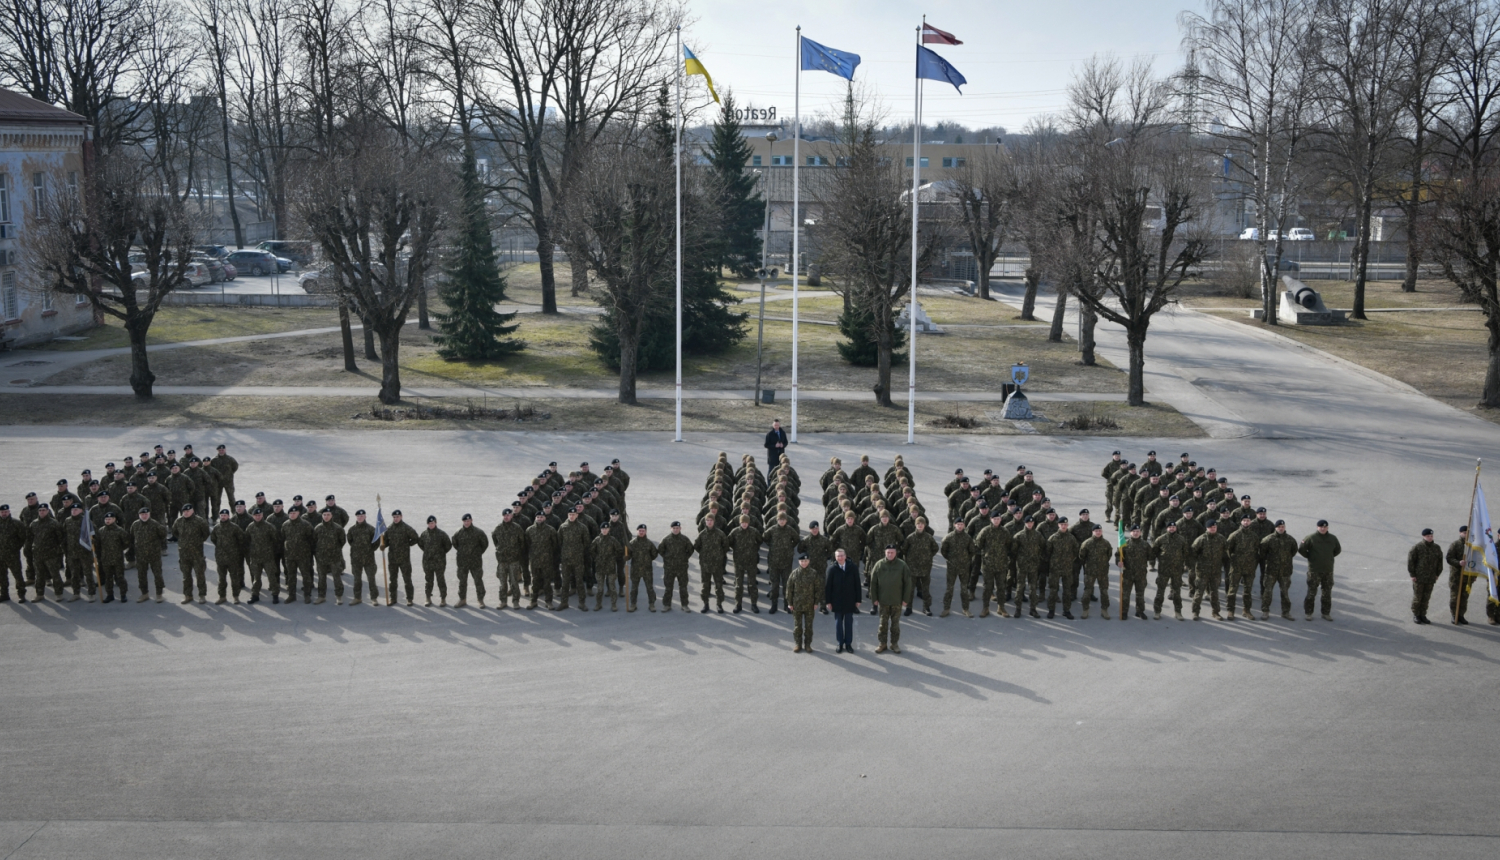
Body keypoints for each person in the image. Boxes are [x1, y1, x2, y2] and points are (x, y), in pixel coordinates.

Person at [869, 545, 913, 654]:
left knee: (895, 625)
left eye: (892, 552)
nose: (890, 554)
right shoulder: (879, 564)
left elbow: (908, 583)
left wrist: (905, 599)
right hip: (883, 601)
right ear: (885, 552)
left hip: (896, 601)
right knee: (882, 624)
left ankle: (894, 644)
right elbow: (873, 583)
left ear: (896, 553)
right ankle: (882, 643)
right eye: (888, 552)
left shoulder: (902, 565)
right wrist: (874, 598)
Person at [1298, 519, 1342, 621]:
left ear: (1327, 528)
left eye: (1325, 527)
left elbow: (1337, 550)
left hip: (1328, 570)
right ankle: (1308, 613)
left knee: (1327, 593)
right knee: (1311, 593)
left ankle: (1325, 613)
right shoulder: (1311, 538)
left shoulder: (1332, 538)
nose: (1323, 529)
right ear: (1317, 527)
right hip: (1314, 570)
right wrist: (1311, 557)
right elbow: (1301, 549)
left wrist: (1328, 557)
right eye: (1321, 527)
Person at [172, 503, 212, 604]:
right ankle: (188, 595)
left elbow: (206, 533)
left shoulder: (199, 521)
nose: (186, 513)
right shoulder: (179, 521)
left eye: (188, 511)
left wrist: (198, 542)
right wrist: (183, 542)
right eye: (184, 511)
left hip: (197, 554)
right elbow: (175, 532)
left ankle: (202, 595)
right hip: (184, 554)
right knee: (186, 576)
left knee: (200, 575)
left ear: (192, 511)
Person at [824, 548, 861, 653]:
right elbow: (828, 587)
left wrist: (858, 600)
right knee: (838, 624)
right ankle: (840, 643)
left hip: (850, 600)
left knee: (848, 623)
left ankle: (848, 644)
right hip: (837, 601)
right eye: (838, 556)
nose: (840, 558)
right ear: (835, 557)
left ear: (845, 556)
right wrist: (828, 602)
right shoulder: (832, 569)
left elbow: (857, 584)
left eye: (842, 555)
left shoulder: (853, 567)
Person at [129, 507, 168, 603]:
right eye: (142, 514)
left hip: (154, 555)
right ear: (139, 515)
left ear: (149, 514)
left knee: (157, 574)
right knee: (141, 575)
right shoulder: (135, 524)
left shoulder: (155, 524)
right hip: (140, 555)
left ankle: (159, 594)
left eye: (146, 514)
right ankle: (144, 593)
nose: (144, 516)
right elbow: (132, 536)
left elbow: (163, 535)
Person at [383, 510, 421, 607]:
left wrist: (408, 544)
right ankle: (393, 598)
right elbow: (386, 541)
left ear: (401, 517)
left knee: (407, 579)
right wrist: (383, 545)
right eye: (394, 517)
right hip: (392, 559)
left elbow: (416, 538)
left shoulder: (406, 528)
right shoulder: (389, 529)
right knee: (392, 580)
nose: (395, 519)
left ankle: (409, 599)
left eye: (397, 517)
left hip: (404, 559)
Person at [491, 508, 527, 609]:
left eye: (508, 515)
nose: (506, 517)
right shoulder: (498, 528)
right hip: (502, 560)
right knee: (502, 583)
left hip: (513, 560)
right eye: (504, 515)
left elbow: (522, 542)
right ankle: (503, 601)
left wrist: (516, 552)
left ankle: (516, 601)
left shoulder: (517, 528)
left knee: (514, 582)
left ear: (511, 516)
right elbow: (495, 539)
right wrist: (500, 549)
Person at [451, 513, 489, 609]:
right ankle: (462, 599)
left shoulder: (478, 532)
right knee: (462, 581)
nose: (466, 523)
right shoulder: (458, 533)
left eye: (468, 521)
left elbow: (485, 544)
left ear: (471, 520)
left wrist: (477, 553)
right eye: (465, 521)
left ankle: (480, 599)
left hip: (475, 562)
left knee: (478, 580)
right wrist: (462, 552)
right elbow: (454, 543)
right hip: (462, 562)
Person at [939, 518, 975, 617]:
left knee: (964, 589)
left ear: (964, 525)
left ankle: (966, 609)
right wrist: (950, 559)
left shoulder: (967, 538)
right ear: (955, 525)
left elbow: (972, 551)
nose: (960, 526)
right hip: (952, 567)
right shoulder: (949, 537)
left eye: (961, 524)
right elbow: (943, 550)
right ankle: (946, 608)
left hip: (964, 567)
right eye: (958, 524)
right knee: (949, 589)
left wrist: (966, 560)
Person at [1408, 528, 1444, 624]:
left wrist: (1437, 573)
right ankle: (1416, 614)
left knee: (1426, 597)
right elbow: (1411, 562)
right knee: (1418, 597)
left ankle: (1423, 614)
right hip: (1419, 577)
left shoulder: (1436, 547)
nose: (1430, 538)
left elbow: (1440, 561)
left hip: (1431, 577)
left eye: (1431, 536)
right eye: (1428, 536)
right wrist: (1412, 574)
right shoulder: (1417, 547)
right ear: (1423, 536)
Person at [209, 509, 246, 605]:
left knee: (235, 578)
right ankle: (222, 597)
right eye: (221, 515)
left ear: (228, 516)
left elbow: (241, 539)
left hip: (232, 558)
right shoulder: (216, 528)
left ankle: (236, 597)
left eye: (225, 515)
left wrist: (235, 550)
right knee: (221, 579)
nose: (223, 517)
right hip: (220, 558)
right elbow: (213, 539)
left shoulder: (234, 527)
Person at [312, 508, 347, 605]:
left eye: (328, 515)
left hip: (334, 558)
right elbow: (314, 541)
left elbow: (342, 541)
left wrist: (335, 550)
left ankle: (339, 596)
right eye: (324, 515)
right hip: (321, 558)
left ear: (331, 516)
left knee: (336, 577)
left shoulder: (338, 528)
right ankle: (321, 596)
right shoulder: (318, 528)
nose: (326, 517)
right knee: (321, 578)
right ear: (322, 516)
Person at [787, 554, 820, 652]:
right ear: (799, 562)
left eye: (805, 561)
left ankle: (807, 644)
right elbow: (789, 589)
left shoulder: (813, 573)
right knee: (797, 626)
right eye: (802, 561)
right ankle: (798, 644)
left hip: (810, 604)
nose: (804, 563)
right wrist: (790, 603)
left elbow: (818, 589)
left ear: (809, 561)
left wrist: (816, 602)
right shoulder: (794, 573)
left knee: (809, 627)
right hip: (797, 604)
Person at [417, 515, 453, 607]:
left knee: (441, 580)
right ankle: (428, 598)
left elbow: (448, 545)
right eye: (429, 523)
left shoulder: (441, 534)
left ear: (435, 523)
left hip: (439, 562)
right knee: (428, 580)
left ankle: (443, 598)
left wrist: (441, 553)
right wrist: (428, 552)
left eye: (432, 523)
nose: (431, 525)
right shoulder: (424, 534)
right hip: (428, 562)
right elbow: (420, 544)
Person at [346, 510, 379, 606]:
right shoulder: (352, 529)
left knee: (371, 579)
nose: (360, 517)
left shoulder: (371, 529)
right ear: (356, 517)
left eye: (362, 516)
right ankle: (357, 598)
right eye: (358, 516)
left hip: (369, 559)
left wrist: (370, 550)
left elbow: (376, 542)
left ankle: (374, 598)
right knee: (357, 579)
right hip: (356, 559)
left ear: (365, 517)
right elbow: (350, 540)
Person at [658, 521, 694, 612]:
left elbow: (690, 549)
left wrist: (685, 558)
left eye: (677, 528)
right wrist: (667, 558)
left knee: (683, 587)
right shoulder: (666, 539)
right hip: (669, 568)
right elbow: (660, 550)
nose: (675, 530)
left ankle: (684, 605)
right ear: (671, 529)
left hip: (682, 568)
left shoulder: (684, 539)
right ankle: (667, 605)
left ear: (680, 528)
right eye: (674, 528)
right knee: (668, 587)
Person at [1117, 525, 1151, 620]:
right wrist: (1118, 562)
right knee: (1125, 594)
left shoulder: (1145, 544)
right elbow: (1118, 555)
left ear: (1140, 533)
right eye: (1134, 531)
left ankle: (1140, 611)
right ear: (1130, 533)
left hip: (1141, 574)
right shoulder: (1124, 544)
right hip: (1128, 574)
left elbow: (1151, 555)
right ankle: (1124, 612)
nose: (1136, 533)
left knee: (1140, 594)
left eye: (1137, 531)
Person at [626, 524, 658, 612]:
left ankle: (652, 604)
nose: (641, 532)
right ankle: (633, 604)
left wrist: (647, 560)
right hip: (635, 570)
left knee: (649, 588)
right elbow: (628, 555)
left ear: (646, 531)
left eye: (643, 531)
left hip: (647, 570)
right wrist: (626, 556)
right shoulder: (632, 543)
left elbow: (654, 554)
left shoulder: (649, 543)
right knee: (634, 588)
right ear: (637, 531)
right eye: (640, 531)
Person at [1447, 525, 1473, 625]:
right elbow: (1449, 558)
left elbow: (1475, 561)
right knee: (1455, 597)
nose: (1466, 534)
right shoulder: (1455, 544)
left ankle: (1461, 615)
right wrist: (1458, 562)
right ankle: (1454, 615)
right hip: (1456, 576)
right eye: (1464, 533)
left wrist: (1474, 575)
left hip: (1467, 576)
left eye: (1467, 533)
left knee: (1464, 597)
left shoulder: (1472, 545)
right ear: (1460, 533)